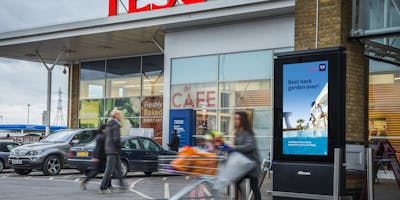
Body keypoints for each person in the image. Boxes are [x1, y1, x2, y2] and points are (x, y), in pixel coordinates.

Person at [232, 111, 261, 200]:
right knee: (236, 180)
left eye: (237, 119)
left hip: (253, 166)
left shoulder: (248, 133)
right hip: (245, 165)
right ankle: (243, 197)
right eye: (235, 118)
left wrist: (234, 147)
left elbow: (249, 146)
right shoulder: (237, 133)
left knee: (254, 186)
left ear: (242, 120)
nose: (235, 120)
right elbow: (237, 149)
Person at [99, 110, 127, 194]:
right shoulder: (115, 125)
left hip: (111, 150)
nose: (121, 116)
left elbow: (107, 138)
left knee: (119, 168)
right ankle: (102, 187)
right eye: (120, 114)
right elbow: (116, 139)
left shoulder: (109, 125)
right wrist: (121, 145)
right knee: (109, 170)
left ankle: (122, 186)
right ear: (116, 115)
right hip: (113, 150)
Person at [80, 124, 107, 191]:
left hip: (101, 156)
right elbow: (98, 148)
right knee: (96, 171)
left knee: (106, 171)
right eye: (106, 129)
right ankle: (84, 182)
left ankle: (108, 185)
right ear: (103, 129)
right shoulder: (101, 137)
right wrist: (96, 157)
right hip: (99, 157)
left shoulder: (100, 136)